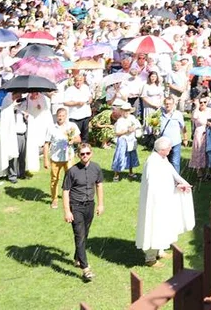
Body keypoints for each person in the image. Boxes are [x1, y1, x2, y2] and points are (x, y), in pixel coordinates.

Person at [136, 136, 195, 267]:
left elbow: (171, 174)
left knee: (163, 225)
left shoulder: (163, 159)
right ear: (162, 149)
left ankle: (160, 250)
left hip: (164, 199)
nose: (170, 150)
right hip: (155, 202)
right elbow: (155, 184)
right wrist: (176, 187)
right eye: (169, 148)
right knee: (154, 226)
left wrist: (181, 183)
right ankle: (150, 257)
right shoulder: (153, 162)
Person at [63, 142, 104, 281]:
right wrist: (67, 211)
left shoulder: (96, 168)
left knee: (85, 234)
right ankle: (85, 268)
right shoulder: (72, 171)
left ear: (91, 153)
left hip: (90, 206)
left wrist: (100, 204)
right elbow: (65, 191)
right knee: (80, 236)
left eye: (87, 153)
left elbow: (99, 185)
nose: (85, 156)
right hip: (76, 207)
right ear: (78, 155)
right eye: (82, 154)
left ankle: (77, 258)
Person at [44, 107, 81, 209]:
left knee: (71, 178)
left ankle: (70, 197)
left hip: (68, 157)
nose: (60, 118)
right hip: (55, 158)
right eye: (59, 116)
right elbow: (46, 144)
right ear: (56, 116)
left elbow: (79, 139)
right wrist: (46, 160)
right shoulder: (51, 127)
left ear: (66, 116)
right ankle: (54, 200)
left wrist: (72, 140)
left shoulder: (72, 126)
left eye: (62, 116)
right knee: (54, 179)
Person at [111, 102, 141, 182]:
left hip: (131, 140)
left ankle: (130, 172)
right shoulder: (120, 120)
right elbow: (117, 133)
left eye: (128, 110)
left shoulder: (132, 118)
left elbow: (138, 126)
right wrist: (127, 131)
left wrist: (134, 128)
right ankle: (116, 174)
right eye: (124, 110)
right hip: (123, 140)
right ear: (121, 111)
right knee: (120, 156)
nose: (126, 112)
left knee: (131, 155)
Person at [189, 94, 211, 180]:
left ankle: (209, 172)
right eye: (201, 102)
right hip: (199, 133)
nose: (203, 104)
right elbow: (193, 118)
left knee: (209, 152)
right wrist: (196, 106)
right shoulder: (196, 112)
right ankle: (199, 172)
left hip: (208, 132)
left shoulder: (210, 111)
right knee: (199, 151)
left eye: (205, 102)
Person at [158, 94, 186, 173]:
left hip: (175, 142)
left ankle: (176, 181)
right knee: (163, 162)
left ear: (173, 105)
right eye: (166, 103)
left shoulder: (178, 114)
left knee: (175, 162)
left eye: (170, 104)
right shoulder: (159, 114)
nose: (168, 105)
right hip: (163, 143)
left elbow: (183, 127)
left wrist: (185, 138)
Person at [62, 73, 93, 142]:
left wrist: (90, 100)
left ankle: (84, 148)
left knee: (85, 134)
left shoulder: (85, 87)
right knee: (75, 135)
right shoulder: (70, 90)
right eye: (77, 81)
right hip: (75, 117)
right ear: (74, 81)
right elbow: (65, 102)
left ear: (83, 81)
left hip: (86, 115)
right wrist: (76, 103)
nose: (78, 82)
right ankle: (75, 149)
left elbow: (90, 96)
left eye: (80, 80)